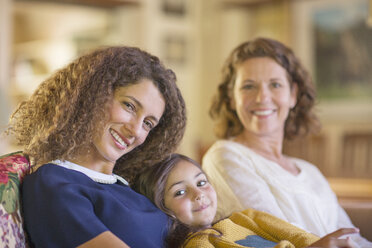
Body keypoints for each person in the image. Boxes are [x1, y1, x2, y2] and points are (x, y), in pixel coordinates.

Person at [6, 46, 187, 247]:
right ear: (93, 95)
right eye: (129, 106)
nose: (136, 130)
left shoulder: (130, 186)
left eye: (148, 123)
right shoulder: (54, 182)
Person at [201, 37, 372, 247]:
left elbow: (352, 237)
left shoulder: (311, 172)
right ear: (231, 99)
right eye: (248, 86)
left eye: (275, 84)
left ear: (293, 95)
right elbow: (276, 234)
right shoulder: (225, 156)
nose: (262, 97)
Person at [134, 153, 359, 248]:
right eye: (180, 192)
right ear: (161, 208)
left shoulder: (247, 217)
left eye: (201, 182)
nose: (198, 194)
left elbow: (301, 237)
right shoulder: (199, 244)